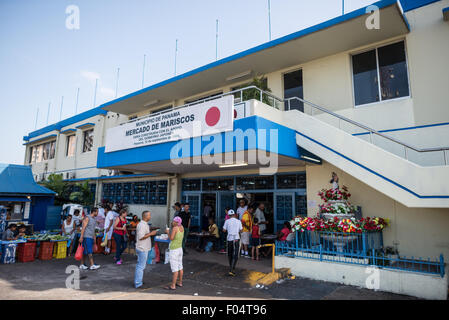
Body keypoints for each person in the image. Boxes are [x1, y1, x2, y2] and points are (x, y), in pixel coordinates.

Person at [134, 210, 158, 289]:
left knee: (140, 266)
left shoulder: (145, 224)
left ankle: (138, 280)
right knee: (141, 266)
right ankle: (138, 283)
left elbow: (144, 234)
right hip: (142, 248)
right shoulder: (142, 225)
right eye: (149, 215)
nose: (150, 217)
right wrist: (151, 234)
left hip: (143, 247)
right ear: (145, 216)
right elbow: (141, 237)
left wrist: (150, 232)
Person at [165, 216, 185, 291]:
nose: (172, 222)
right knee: (180, 266)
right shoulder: (182, 227)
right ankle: (180, 282)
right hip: (180, 249)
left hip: (174, 250)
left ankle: (173, 285)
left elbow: (171, 238)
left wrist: (167, 233)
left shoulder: (175, 228)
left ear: (177, 222)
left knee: (175, 269)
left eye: (173, 221)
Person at [222, 209, 242, 276]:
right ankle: (232, 269)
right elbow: (241, 230)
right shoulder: (238, 221)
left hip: (229, 239)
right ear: (234, 214)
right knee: (236, 254)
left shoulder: (227, 221)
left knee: (230, 253)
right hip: (236, 238)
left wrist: (229, 229)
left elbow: (224, 230)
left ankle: (231, 267)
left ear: (229, 215)